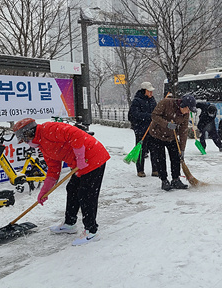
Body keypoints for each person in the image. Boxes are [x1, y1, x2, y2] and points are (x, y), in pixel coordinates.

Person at [13, 118, 110, 246]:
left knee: (86, 194)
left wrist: (80, 157)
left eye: (25, 139)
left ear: (29, 132)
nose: (26, 142)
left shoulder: (48, 129)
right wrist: (44, 191)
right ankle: (69, 224)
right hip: (79, 164)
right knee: (72, 189)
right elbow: (53, 170)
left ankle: (91, 231)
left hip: (93, 158)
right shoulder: (42, 146)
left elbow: (75, 134)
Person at [146, 94, 196, 191]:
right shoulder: (166, 103)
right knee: (160, 158)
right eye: (188, 109)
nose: (188, 112)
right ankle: (164, 180)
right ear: (183, 105)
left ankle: (175, 179)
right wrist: (166, 124)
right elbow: (154, 115)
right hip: (157, 134)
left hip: (171, 136)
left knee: (176, 157)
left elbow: (183, 132)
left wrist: (182, 149)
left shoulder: (185, 115)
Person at [128, 82, 158, 177]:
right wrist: (149, 116)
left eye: (151, 91)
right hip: (141, 130)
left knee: (154, 149)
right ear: (144, 90)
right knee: (141, 150)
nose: (151, 93)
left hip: (152, 129)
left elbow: (156, 112)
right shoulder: (137, 101)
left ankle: (155, 170)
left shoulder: (153, 100)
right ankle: (140, 170)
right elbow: (134, 114)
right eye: (149, 91)